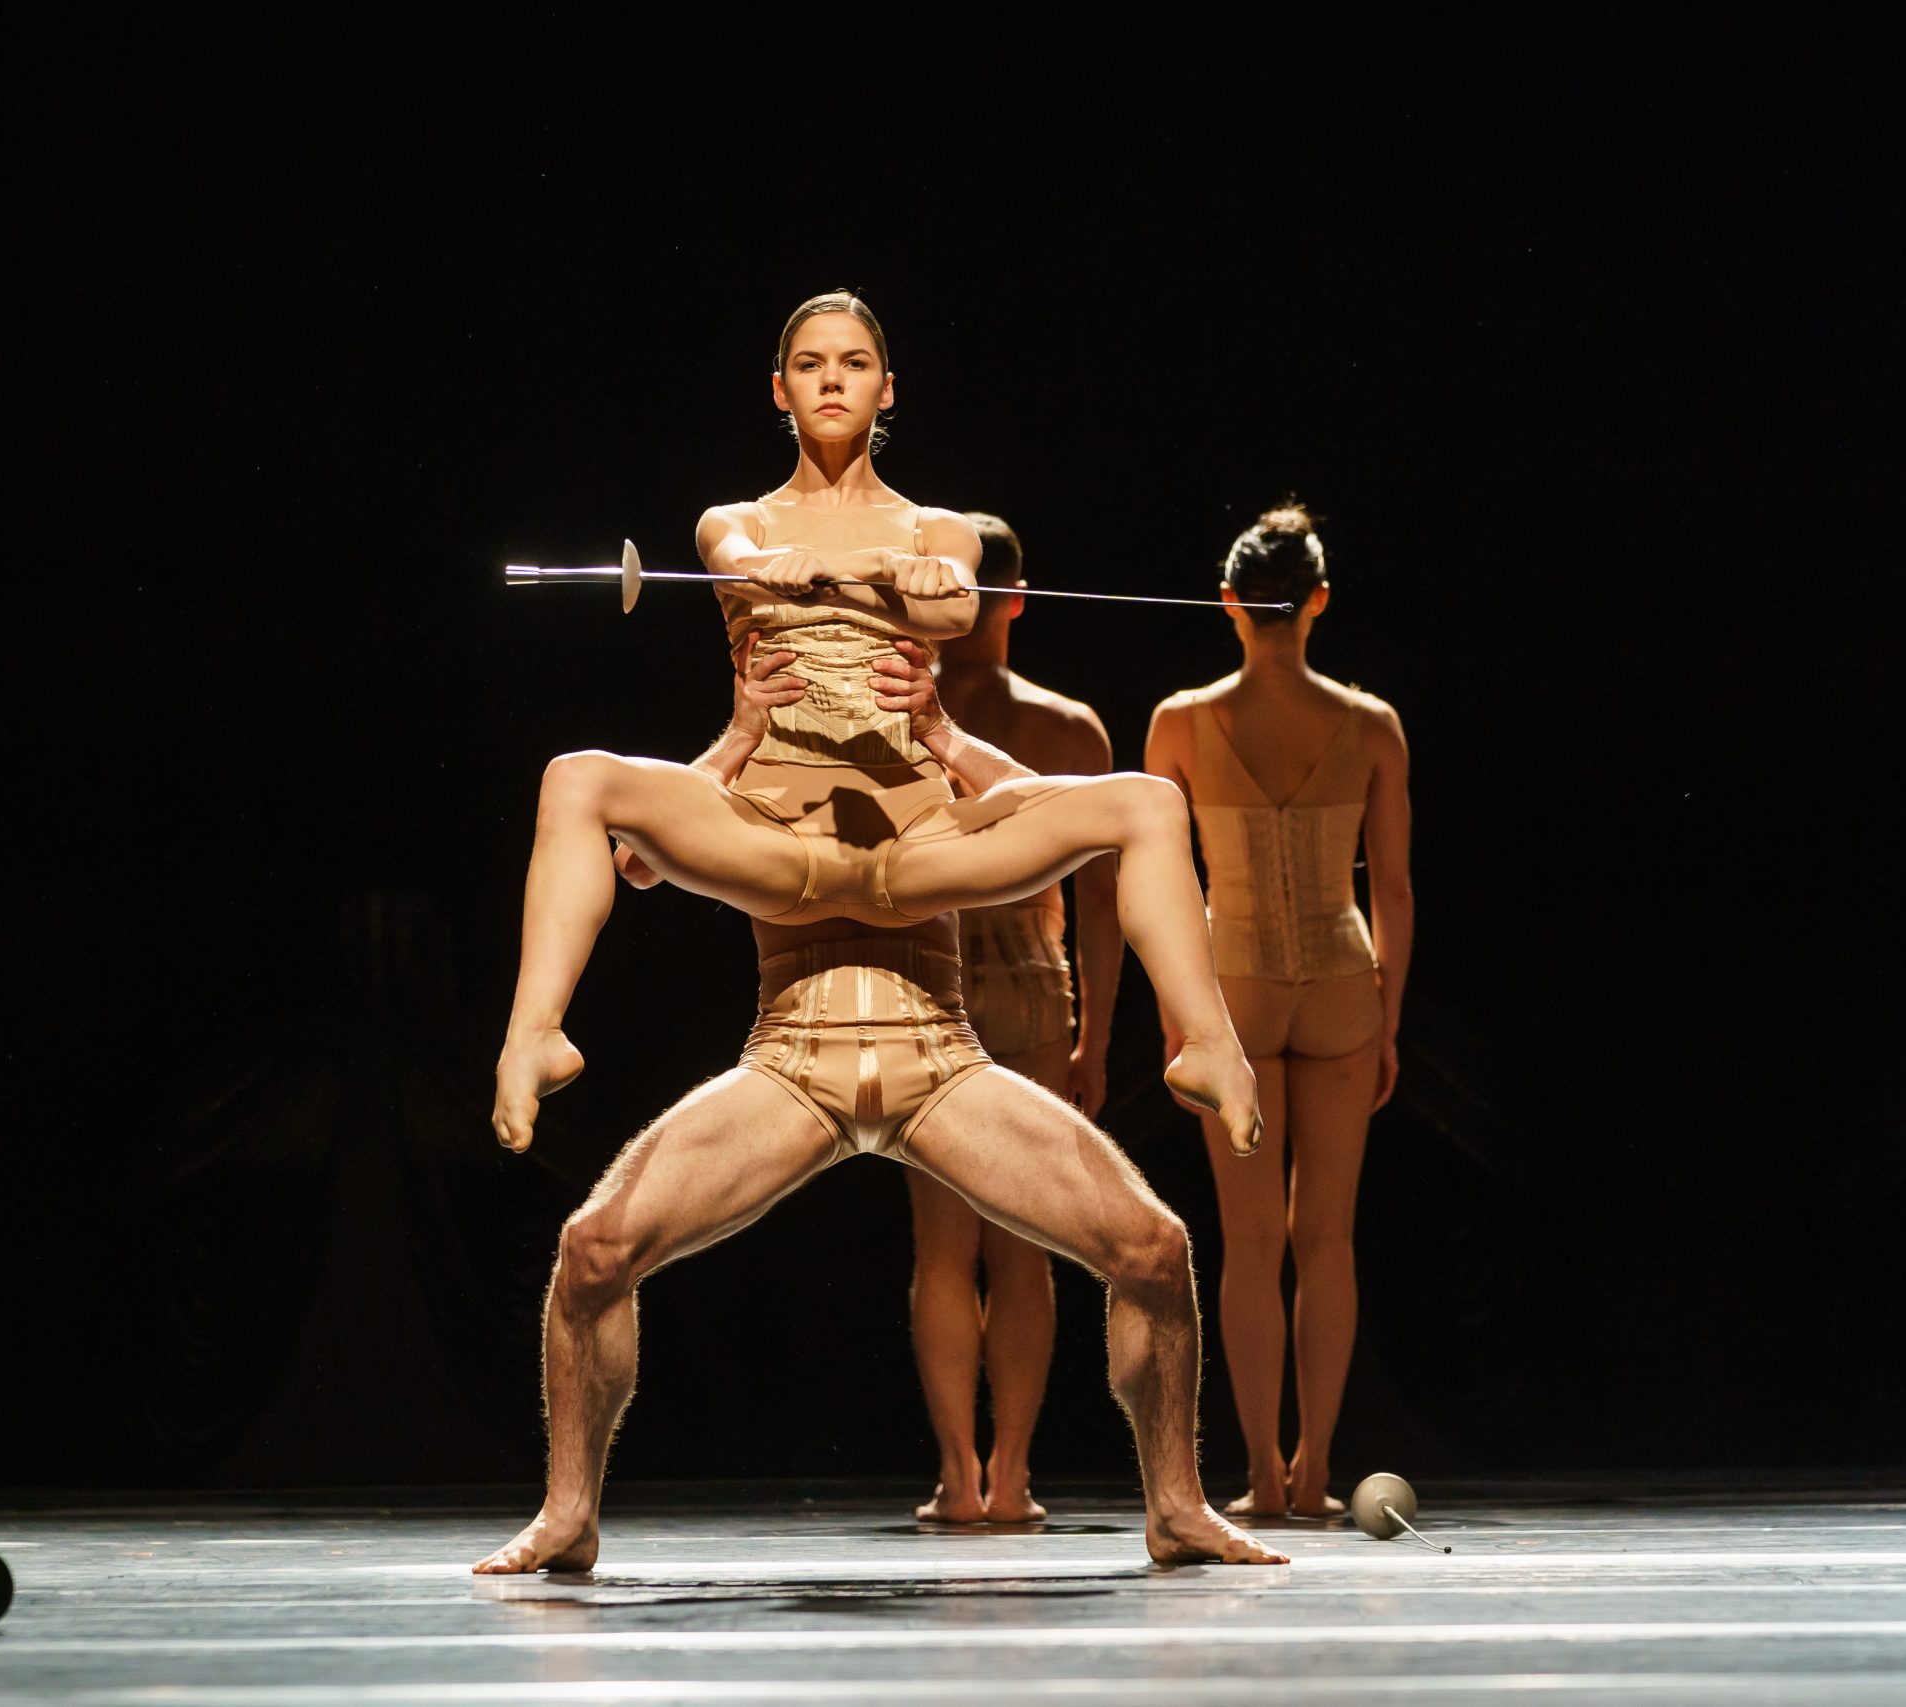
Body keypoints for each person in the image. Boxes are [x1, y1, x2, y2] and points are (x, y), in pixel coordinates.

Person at [472, 292, 1279, 1571]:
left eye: (855, 364)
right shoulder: (732, 524)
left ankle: (1204, 1065)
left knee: (1153, 1231)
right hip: (789, 954)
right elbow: (737, 562)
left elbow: (951, 606)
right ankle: (567, 1502)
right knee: (593, 1242)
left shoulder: (936, 530)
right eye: (810, 365)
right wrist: (774, 625)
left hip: (923, 966)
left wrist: (926, 589)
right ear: (778, 389)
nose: (834, 381)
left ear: (888, 388)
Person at [1145, 503, 1412, 1519]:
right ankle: (1312, 1471)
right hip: (1343, 983)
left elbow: (1163, 882)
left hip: (1235, 988)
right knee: (1326, 1240)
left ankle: (1261, 1474)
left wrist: (1178, 1016)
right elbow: (1395, 890)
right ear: (1318, 601)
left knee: (1250, 1241)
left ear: (1228, 601)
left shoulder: (1179, 722)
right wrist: (1388, 1017)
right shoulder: (1372, 724)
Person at [906, 510, 1122, 1525]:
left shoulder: (901, 712)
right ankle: (1014, 1475)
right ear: (1020, 598)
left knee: (943, 1249)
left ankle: (961, 1476)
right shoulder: (1070, 728)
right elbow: (1104, 905)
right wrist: (1096, 1038)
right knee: (1021, 1247)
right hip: (1034, 985)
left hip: (932, 985)